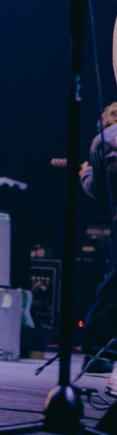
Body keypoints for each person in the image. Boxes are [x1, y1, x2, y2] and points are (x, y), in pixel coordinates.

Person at [79, 101, 117, 393]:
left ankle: (98, 352)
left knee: (112, 286)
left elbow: (99, 189)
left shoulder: (105, 139)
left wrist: (84, 174)